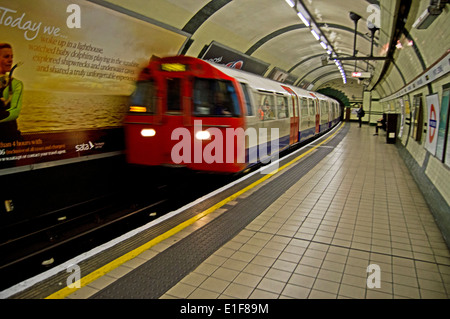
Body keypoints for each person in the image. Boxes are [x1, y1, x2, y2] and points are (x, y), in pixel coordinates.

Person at [0, 43, 23, 142]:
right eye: (6, 57)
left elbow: (13, 114)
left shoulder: (12, 84)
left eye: (12, 57)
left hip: (10, 142)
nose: (10, 60)